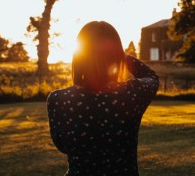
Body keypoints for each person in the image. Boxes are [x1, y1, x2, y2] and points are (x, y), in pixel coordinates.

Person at [47, 21, 159, 176]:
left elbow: (62, 146)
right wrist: (121, 56)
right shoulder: (131, 93)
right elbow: (151, 77)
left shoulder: (59, 99)